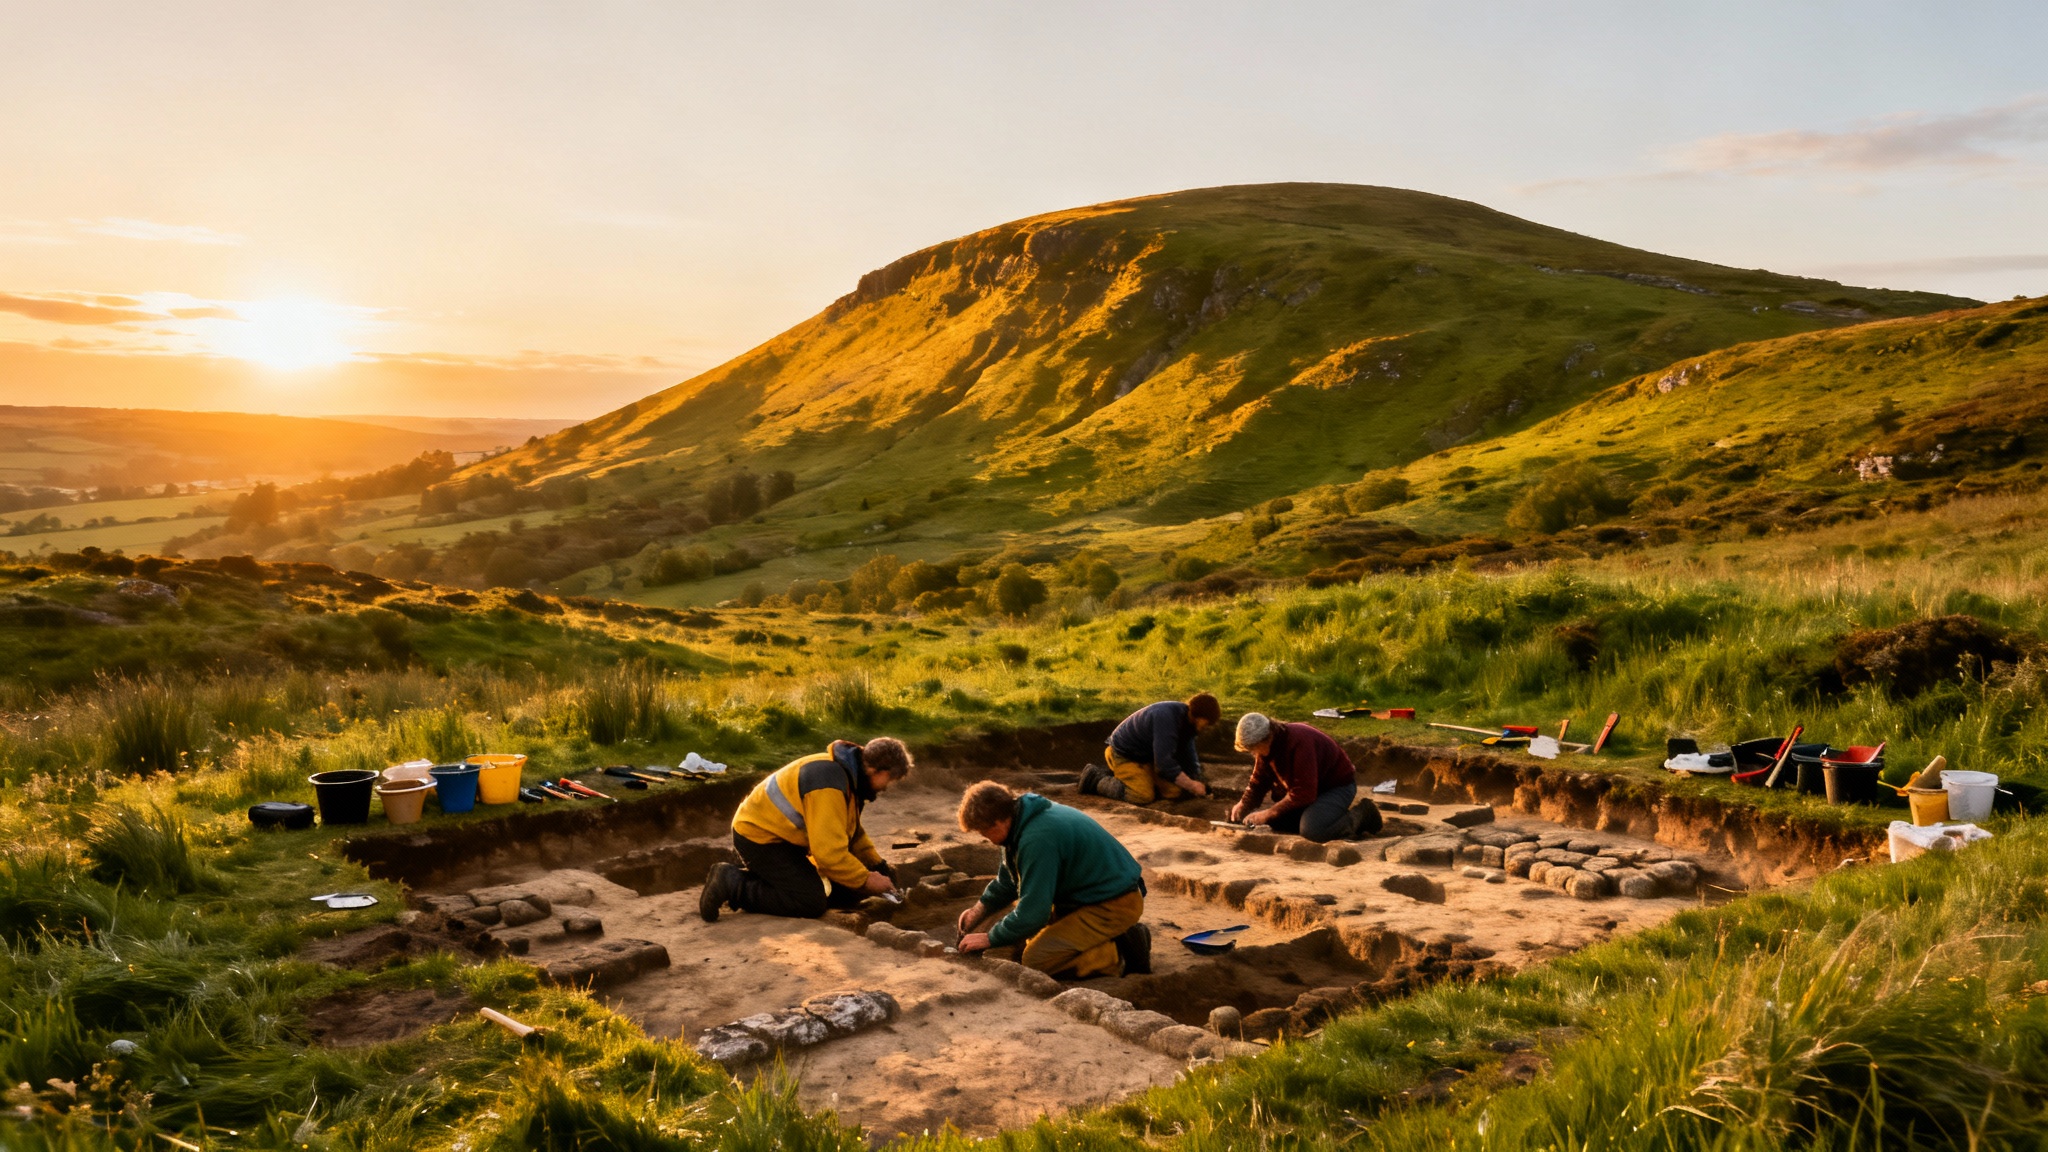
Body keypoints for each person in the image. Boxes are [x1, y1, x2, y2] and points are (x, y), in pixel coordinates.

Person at [952, 781, 1151, 979]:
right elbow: (1008, 881)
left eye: (983, 832)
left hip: (1113, 904)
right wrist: (977, 911)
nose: (985, 837)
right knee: (1029, 937)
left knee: (1036, 960)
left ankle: (1121, 952)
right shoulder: (1021, 819)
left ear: (997, 822)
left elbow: (1033, 913)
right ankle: (1111, 939)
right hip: (1089, 897)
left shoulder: (1037, 839)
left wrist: (989, 938)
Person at [699, 736, 911, 921]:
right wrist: (867, 879)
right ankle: (733, 883)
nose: (887, 786)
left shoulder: (848, 777)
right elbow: (828, 854)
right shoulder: (830, 784)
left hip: (785, 839)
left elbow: (851, 833)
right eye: (890, 779)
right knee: (809, 901)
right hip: (759, 838)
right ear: (876, 770)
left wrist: (877, 865)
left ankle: (776, 879)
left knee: (847, 889)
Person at [1228, 712, 1380, 842]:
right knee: (1275, 821)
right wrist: (1243, 805)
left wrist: (1268, 813)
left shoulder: (1300, 742)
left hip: (1336, 787)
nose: (1254, 754)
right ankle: (1321, 816)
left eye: (1253, 749)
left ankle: (1363, 814)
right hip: (1312, 792)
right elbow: (1258, 783)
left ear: (1266, 738)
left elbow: (1304, 793)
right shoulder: (1267, 749)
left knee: (1313, 830)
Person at [1078, 692, 1220, 804]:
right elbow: (1164, 765)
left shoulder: (1187, 722)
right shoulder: (1167, 718)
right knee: (1141, 795)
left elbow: (1188, 753)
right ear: (1200, 717)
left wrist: (1197, 777)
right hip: (1124, 754)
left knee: (1173, 792)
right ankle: (1095, 779)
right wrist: (1193, 785)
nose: (1206, 728)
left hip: (1146, 756)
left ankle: (1136, 778)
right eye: (1207, 723)